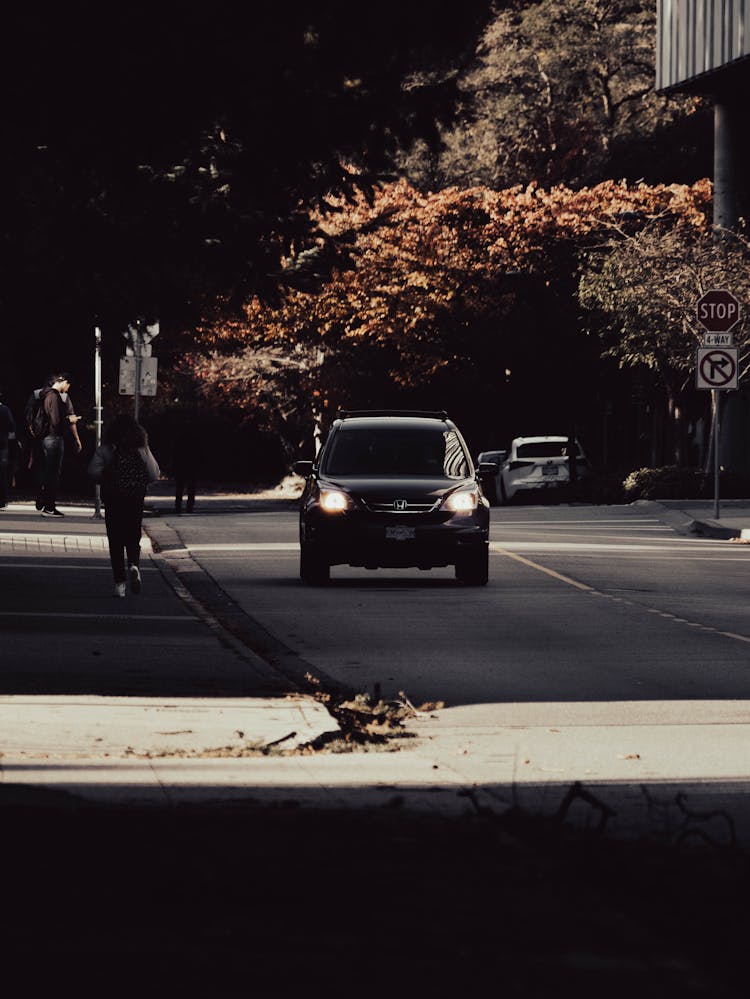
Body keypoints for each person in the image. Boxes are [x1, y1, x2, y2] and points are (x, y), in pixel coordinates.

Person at [87, 414, 160, 597]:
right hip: (135, 498)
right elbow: (153, 474)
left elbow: (92, 472)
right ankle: (134, 564)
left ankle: (119, 584)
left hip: (113, 499)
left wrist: (107, 477)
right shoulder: (142, 448)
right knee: (133, 535)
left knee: (116, 540)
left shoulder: (105, 449)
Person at [33, 372, 83, 517]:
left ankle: (45, 499)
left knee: (48, 472)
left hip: (45, 438)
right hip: (54, 438)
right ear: (63, 382)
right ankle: (49, 507)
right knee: (53, 474)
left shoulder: (43, 395)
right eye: (68, 385)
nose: (68, 389)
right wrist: (70, 419)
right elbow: (55, 421)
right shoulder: (54, 396)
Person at [0, 387, 17, 508]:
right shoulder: (5, 410)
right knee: (2, 473)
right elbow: (12, 429)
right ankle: (2, 500)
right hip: (3, 445)